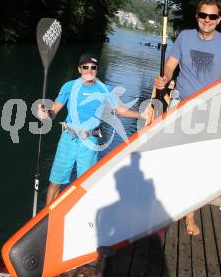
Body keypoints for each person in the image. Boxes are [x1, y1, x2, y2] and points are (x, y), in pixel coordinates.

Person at [154, 0, 221, 235]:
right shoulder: (185, 36)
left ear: (219, 20)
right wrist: (165, 78)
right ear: (197, 16)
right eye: (203, 15)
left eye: (212, 17)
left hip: (207, 110)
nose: (207, 20)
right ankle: (161, 214)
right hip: (179, 103)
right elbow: (170, 66)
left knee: (196, 165)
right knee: (171, 159)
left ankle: (189, 215)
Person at [38, 52, 151, 205]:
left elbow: (120, 110)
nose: (89, 70)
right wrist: (45, 114)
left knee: (85, 185)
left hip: (89, 142)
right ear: (79, 69)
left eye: (93, 67)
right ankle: (48, 219)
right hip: (68, 139)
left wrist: (142, 115)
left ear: (97, 70)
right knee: (55, 182)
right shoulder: (69, 86)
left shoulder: (106, 90)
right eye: (85, 67)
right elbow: (53, 112)